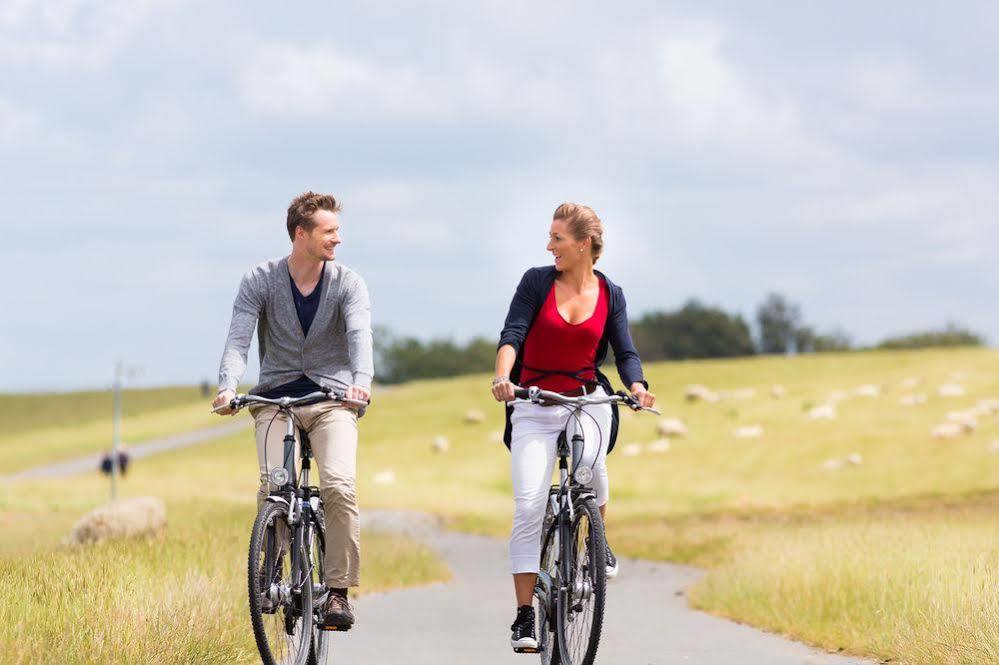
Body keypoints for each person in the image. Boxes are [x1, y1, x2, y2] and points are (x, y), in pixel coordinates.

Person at [491, 202, 656, 651]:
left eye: (558, 238)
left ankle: (595, 543)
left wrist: (637, 387)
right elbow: (513, 335)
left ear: (583, 244)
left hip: (586, 400)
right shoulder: (536, 282)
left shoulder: (611, 293)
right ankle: (525, 616)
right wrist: (504, 377)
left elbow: (625, 352)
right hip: (534, 402)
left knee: (591, 468)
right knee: (528, 505)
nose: (550, 246)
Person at [212, 191, 373, 630]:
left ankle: (337, 592)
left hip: (331, 401)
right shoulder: (259, 280)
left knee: (339, 484)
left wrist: (362, 383)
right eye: (329, 231)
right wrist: (228, 387)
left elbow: (360, 337)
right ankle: (273, 560)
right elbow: (238, 339)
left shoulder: (348, 283)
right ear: (301, 234)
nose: (338, 239)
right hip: (275, 400)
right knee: (273, 486)